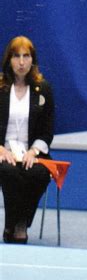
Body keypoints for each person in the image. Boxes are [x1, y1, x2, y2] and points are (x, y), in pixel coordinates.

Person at [0, 36, 54, 244]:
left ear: (33, 60)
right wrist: (2, 151)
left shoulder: (44, 89)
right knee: (8, 171)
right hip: (3, 154)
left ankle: (19, 223)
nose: (21, 62)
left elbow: (47, 132)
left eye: (26, 56)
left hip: (30, 153)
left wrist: (33, 152)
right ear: (9, 60)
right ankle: (13, 225)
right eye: (16, 56)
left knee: (40, 173)